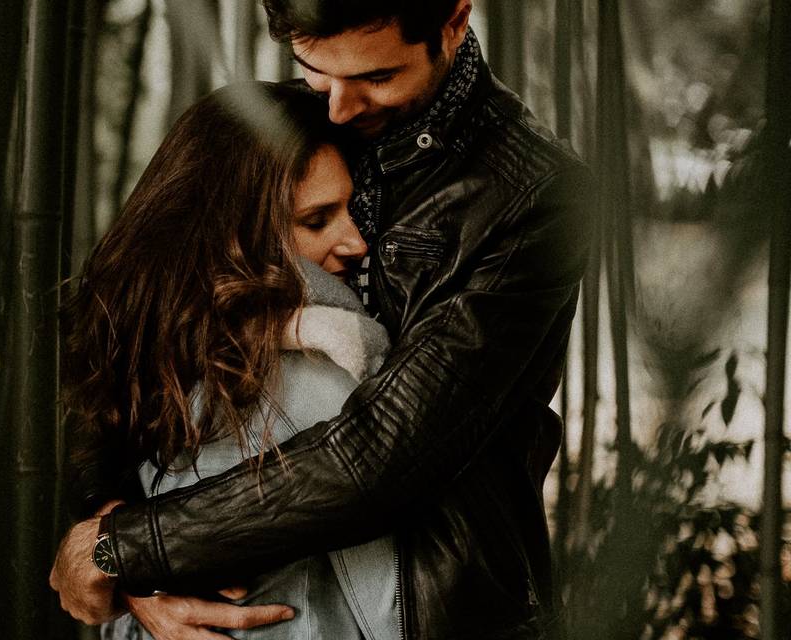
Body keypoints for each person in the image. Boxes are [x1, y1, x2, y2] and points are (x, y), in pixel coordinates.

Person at [51, 0, 592, 638]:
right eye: (312, 69)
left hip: (429, 607)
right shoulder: (274, 127)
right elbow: (130, 328)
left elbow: (387, 448)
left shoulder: (532, 195)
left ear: (452, 20)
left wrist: (132, 547)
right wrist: (128, 550)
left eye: (377, 78)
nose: (339, 107)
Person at [57, 82, 406, 639]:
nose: (357, 241)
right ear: (233, 235)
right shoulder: (272, 384)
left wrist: (125, 559)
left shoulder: (189, 361)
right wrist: (124, 559)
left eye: (353, 209)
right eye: (316, 221)